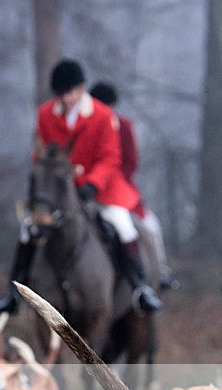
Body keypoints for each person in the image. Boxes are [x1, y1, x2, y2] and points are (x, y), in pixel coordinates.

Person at [0, 58, 162, 315]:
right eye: (61, 93)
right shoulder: (46, 114)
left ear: (82, 88)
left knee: (123, 224)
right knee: (28, 229)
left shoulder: (102, 115)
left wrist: (92, 185)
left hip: (101, 189)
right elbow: (41, 156)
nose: (67, 98)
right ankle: (13, 292)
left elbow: (111, 157)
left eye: (71, 92)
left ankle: (140, 289)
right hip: (58, 193)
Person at [89, 81, 178, 290]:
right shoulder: (87, 127)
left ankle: (160, 270)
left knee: (151, 227)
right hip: (89, 189)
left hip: (120, 189)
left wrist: (114, 182)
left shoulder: (124, 126)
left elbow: (131, 163)